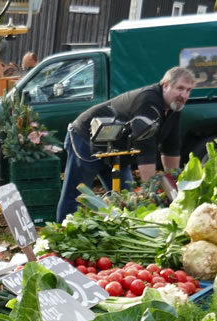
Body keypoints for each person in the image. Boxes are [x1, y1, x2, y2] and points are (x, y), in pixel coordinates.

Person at [56, 67, 195, 223]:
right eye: (180, 88)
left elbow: (171, 148)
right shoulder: (148, 101)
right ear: (166, 85)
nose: (184, 95)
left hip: (117, 148)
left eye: (188, 90)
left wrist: (173, 187)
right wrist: (153, 193)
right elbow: (145, 149)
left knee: (126, 200)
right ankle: (62, 233)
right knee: (75, 195)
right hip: (86, 139)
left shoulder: (174, 108)